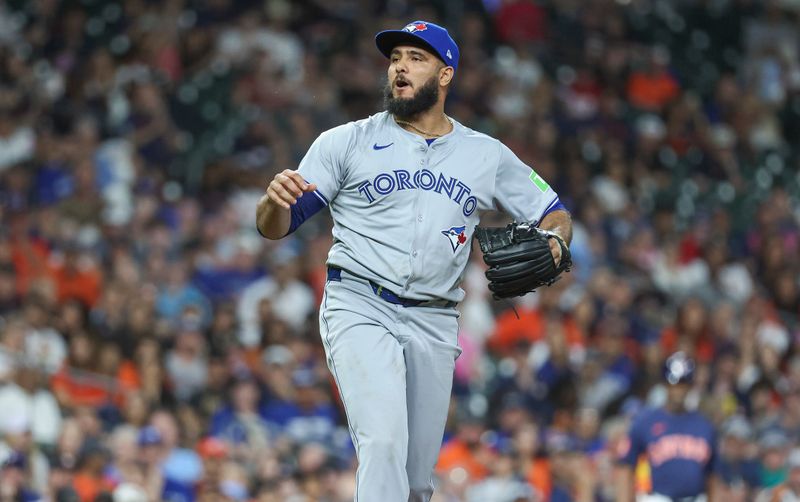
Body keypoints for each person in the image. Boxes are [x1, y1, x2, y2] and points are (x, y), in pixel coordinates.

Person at [256, 19, 572, 501]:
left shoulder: (484, 154)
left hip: (435, 319)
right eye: (395, 58)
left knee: (416, 481)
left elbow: (553, 212)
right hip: (360, 303)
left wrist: (557, 242)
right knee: (382, 444)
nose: (400, 67)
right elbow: (276, 226)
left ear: (445, 75)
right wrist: (271, 204)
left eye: (416, 58)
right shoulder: (346, 141)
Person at [616, 351, 717, 501]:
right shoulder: (644, 422)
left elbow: (713, 476)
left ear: (690, 387)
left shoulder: (705, 426)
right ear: (664, 385)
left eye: (682, 384)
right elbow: (625, 468)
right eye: (673, 384)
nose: (678, 391)